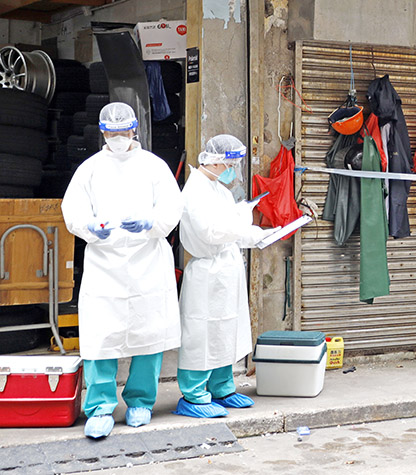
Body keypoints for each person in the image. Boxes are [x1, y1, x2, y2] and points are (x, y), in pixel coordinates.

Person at [61, 102, 183, 439]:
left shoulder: (154, 167)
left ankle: (141, 401)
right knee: (101, 338)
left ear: (134, 130)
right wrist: (88, 227)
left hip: (148, 260)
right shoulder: (89, 169)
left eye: (123, 132)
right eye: (111, 133)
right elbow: (73, 210)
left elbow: (173, 207)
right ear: (102, 132)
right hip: (104, 263)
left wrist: (150, 223)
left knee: (148, 335)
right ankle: (99, 406)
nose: (117, 138)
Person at [174, 135, 279, 418]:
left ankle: (222, 388)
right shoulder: (195, 190)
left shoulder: (218, 189)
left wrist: (256, 233)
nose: (234, 169)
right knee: (201, 334)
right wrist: (247, 231)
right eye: (231, 163)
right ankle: (194, 394)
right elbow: (211, 231)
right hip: (206, 273)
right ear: (216, 160)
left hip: (227, 270)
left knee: (225, 331)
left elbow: (230, 229)